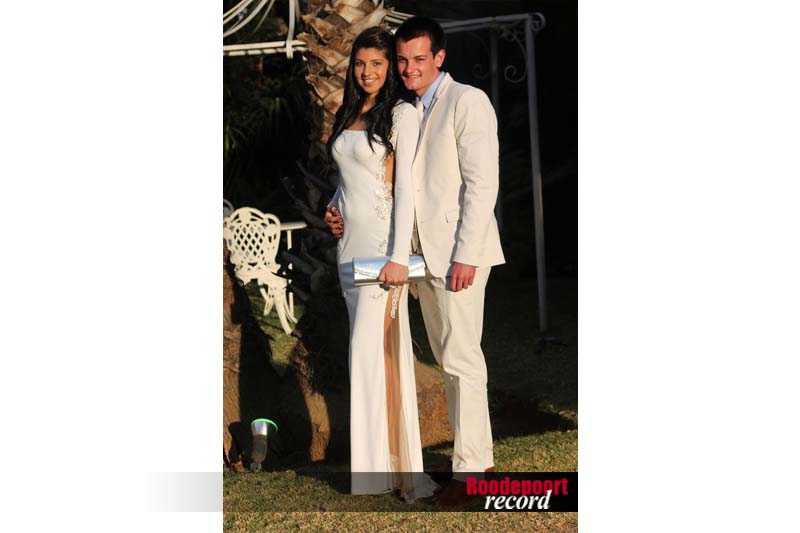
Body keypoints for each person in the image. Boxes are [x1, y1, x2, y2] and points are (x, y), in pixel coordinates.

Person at [326, 16, 506, 507]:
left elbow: (482, 186)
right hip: (417, 256)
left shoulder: (467, 101)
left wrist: (466, 256)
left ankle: (475, 474)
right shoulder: (405, 108)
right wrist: (340, 209)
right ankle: (465, 460)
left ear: (439, 58)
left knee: (462, 359)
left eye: (418, 59)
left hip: (457, 256)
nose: (409, 68)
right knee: (448, 359)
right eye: (402, 60)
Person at [324, 26, 438, 503]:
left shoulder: (402, 114)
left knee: (373, 356)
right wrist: (333, 207)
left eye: (377, 64)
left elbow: (405, 189)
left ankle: (390, 472)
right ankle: (377, 470)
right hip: (348, 253)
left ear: (390, 68)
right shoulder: (349, 111)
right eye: (359, 64)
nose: (366, 72)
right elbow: (351, 178)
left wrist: (397, 258)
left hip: (382, 256)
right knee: (367, 357)